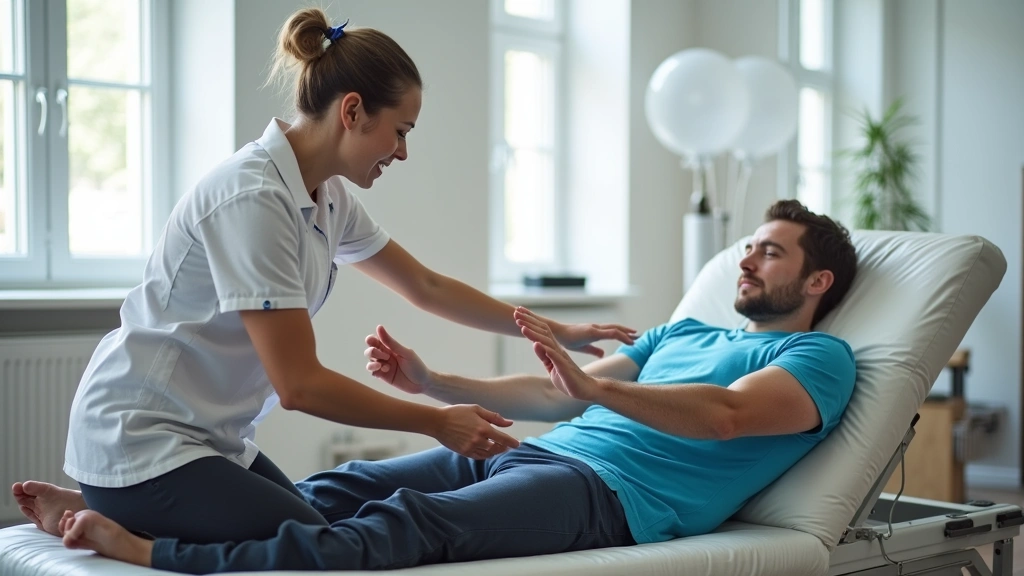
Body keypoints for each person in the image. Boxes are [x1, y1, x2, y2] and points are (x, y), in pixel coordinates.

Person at [9, 7, 637, 549]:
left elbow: (428, 287)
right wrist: (434, 420)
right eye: (401, 131)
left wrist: (561, 331)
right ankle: (116, 524)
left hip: (203, 439)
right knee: (319, 547)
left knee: (325, 519)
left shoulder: (326, 197)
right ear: (354, 111)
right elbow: (300, 385)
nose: (403, 152)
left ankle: (106, 506)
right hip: (140, 439)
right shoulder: (253, 199)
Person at [20, 199, 859, 573]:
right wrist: (431, 383)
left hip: (606, 497)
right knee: (333, 487)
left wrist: (596, 394)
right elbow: (559, 396)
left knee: (402, 527)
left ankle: (147, 551)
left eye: (771, 251)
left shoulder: (821, 362)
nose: (746, 259)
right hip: (537, 453)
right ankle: (126, 500)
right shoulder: (686, 333)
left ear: (817, 282)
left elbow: (722, 419)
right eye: (746, 247)